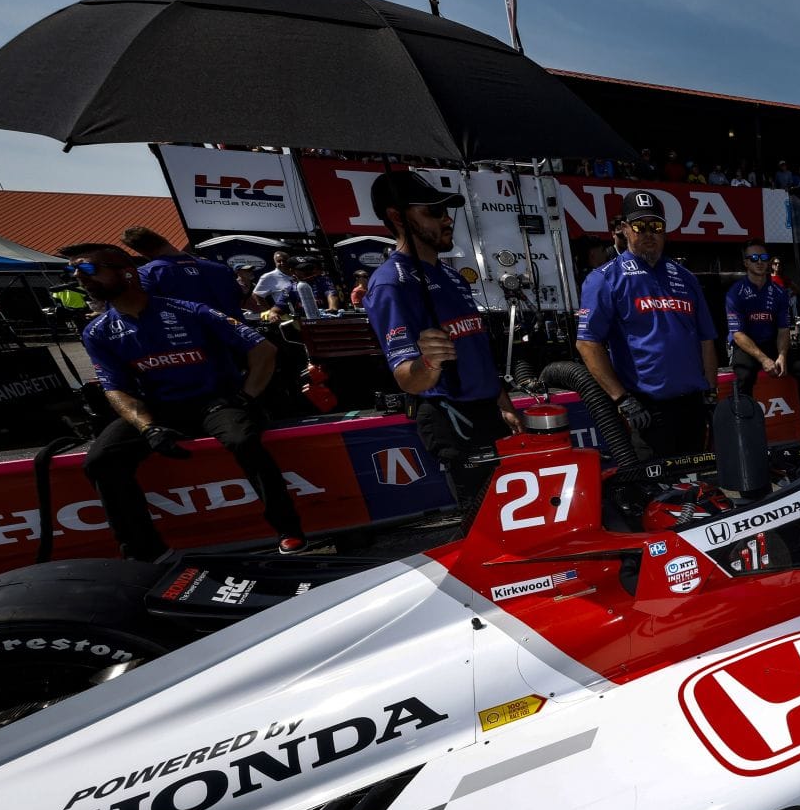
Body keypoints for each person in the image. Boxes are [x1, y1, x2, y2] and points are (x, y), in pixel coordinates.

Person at [61, 242, 306, 559]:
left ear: (128, 273)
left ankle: (289, 529)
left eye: (89, 268)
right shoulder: (98, 331)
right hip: (158, 408)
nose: (79, 276)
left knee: (242, 438)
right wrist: (148, 428)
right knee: (100, 461)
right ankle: (144, 552)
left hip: (215, 401)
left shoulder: (189, 311)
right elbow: (115, 389)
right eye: (74, 270)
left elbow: (264, 350)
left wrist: (245, 397)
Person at [364, 171, 524, 520]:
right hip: (451, 418)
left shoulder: (452, 276)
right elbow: (408, 379)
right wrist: (429, 363)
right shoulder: (391, 283)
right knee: (485, 520)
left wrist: (503, 402)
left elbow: (477, 351)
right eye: (432, 212)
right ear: (397, 217)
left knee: (515, 516)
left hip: (488, 410)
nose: (446, 218)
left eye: (446, 210)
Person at [575, 190, 719, 457]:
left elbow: (706, 338)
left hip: (692, 406)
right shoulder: (604, 278)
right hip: (646, 409)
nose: (649, 233)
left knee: (695, 483)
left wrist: (710, 392)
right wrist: (622, 399)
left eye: (656, 226)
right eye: (640, 226)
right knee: (658, 491)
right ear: (625, 229)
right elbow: (587, 343)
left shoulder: (686, 278)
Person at [726, 242, 800, 445]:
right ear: (746, 262)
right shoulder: (735, 292)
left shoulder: (779, 292)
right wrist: (764, 359)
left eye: (763, 258)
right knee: (744, 376)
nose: (759, 263)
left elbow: (783, 329)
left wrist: (781, 355)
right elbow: (738, 334)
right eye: (754, 258)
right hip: (746, 345)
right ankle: (743, 435)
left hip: (771, 343)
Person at [122, 226, 244, 316]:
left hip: (192, 344)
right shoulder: (219, 268)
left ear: (141, 252)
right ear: (164, 239)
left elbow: (138, 312)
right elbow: (241, 300)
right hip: (239, 339)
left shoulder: (147, 274)